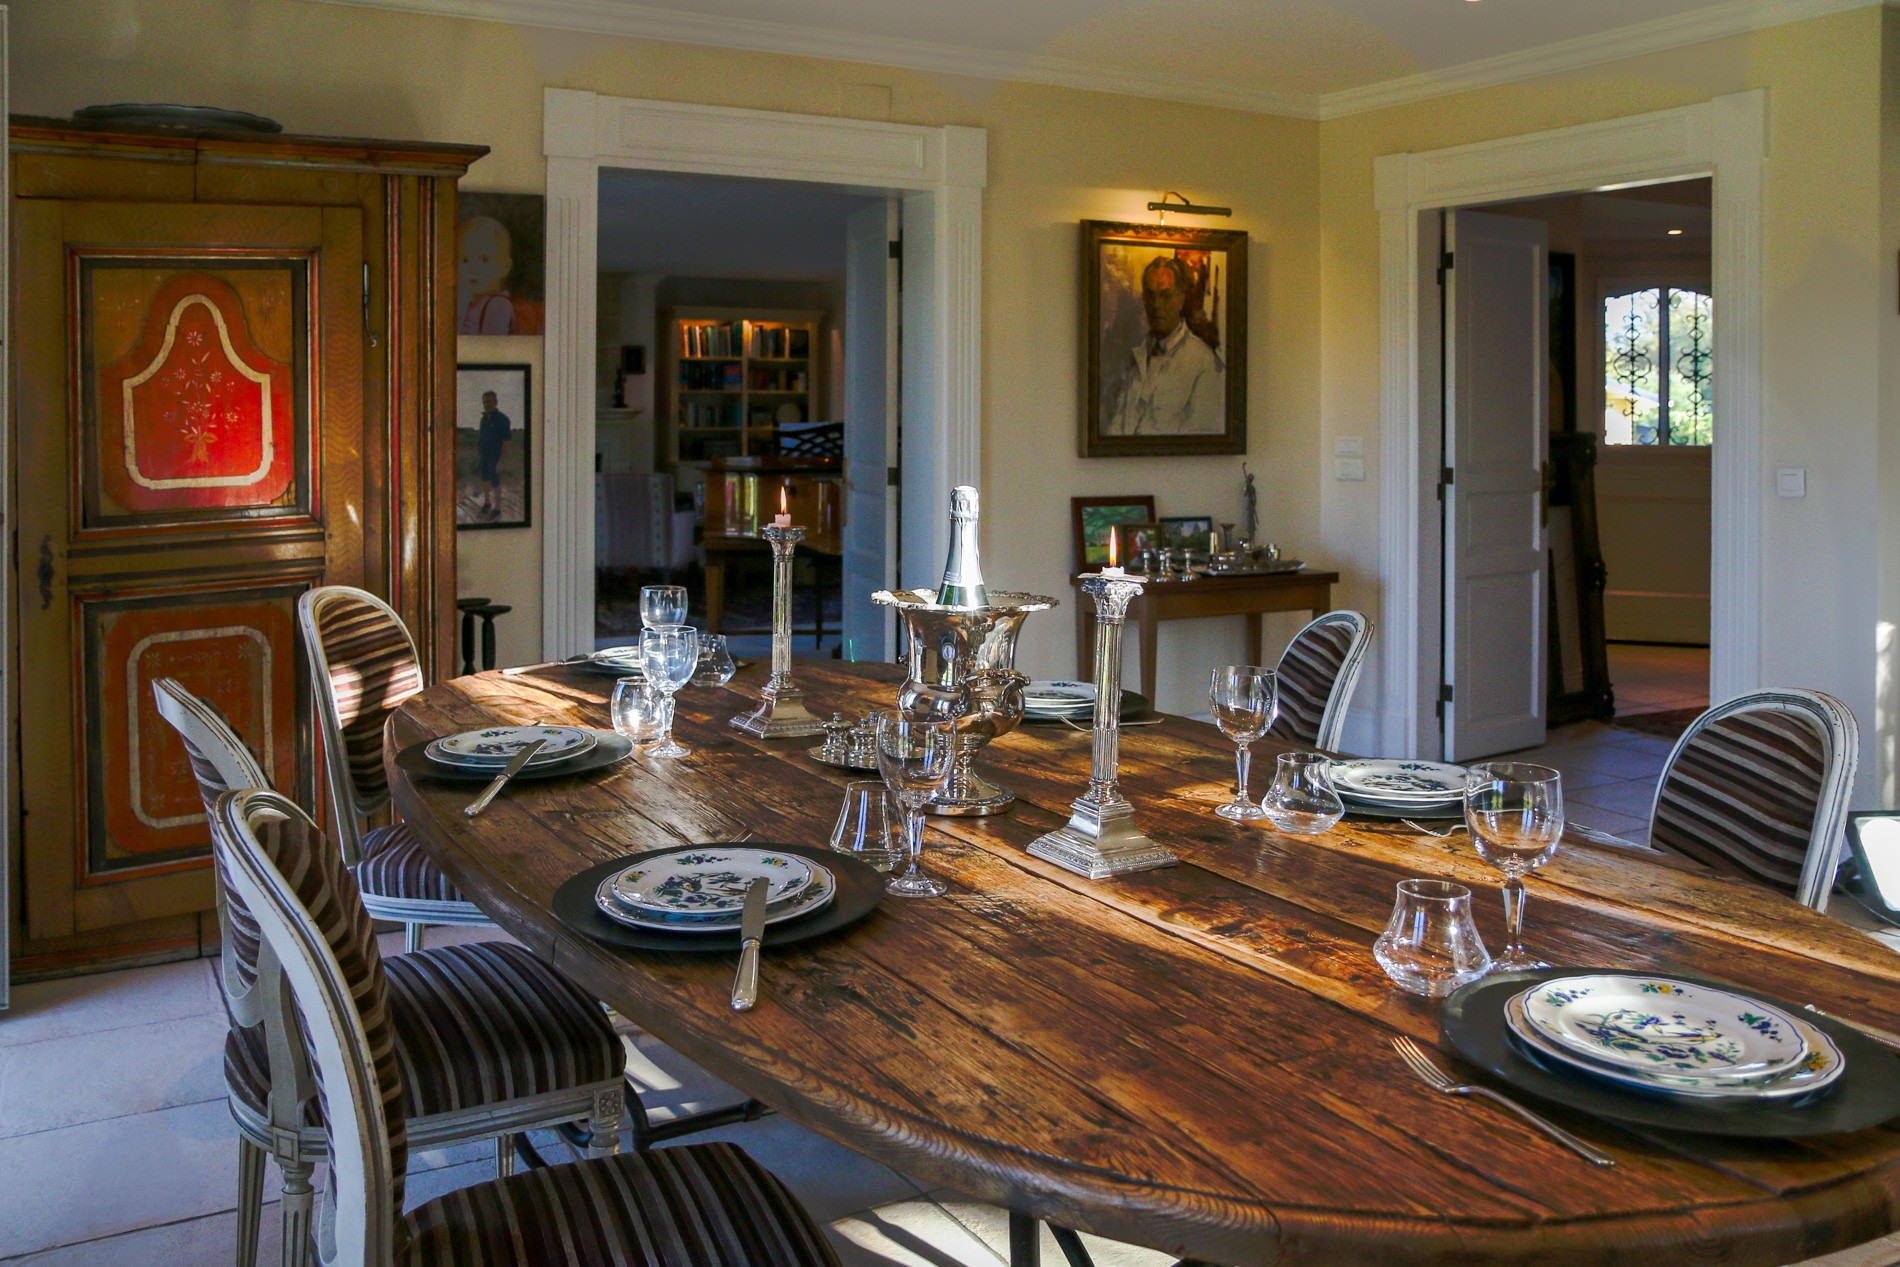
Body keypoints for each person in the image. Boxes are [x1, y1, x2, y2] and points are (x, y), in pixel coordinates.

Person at [1106, 255, 1225, 436]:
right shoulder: (1137, 356)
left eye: (1166, 295)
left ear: (1181, 299)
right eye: (1150, 295)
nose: (1156, 305)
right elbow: (1117, 425)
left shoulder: (1203, 361)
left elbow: (1203, 437)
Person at [457, 215, 543, 335]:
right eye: (465, 260)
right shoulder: (474, 303)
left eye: (484, 259)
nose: (473, 269)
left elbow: (492, 350)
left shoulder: (498, 306)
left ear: (505, 267)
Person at [475, 390, 512, 516]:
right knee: (485, 479)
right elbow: (482, 437)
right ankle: (487, 503)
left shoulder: (503, 419)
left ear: (496, 402)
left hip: (495, 456)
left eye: (490, 401)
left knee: (496, 482)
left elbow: (506, 442)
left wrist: (501, 461)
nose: (487, 404)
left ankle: (497, 509)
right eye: (485, 402)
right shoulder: (483, 419)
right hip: (484, 455)